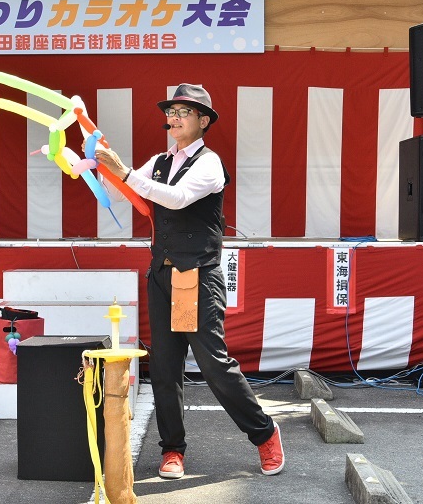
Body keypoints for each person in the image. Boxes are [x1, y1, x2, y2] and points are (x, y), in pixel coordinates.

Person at [95, 83, 285, 479]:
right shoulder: (159, 160)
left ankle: (265, 434)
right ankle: (172, 450)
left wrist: (123, 170)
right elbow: (127, 190)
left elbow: (176, 198)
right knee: (164, 367)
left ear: (203, 121)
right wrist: (91, 166)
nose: (174, 117)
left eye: (185, 111)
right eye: (172, 111)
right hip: (163, 274)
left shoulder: (209, 163)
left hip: (194, 276)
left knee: (213, 365)